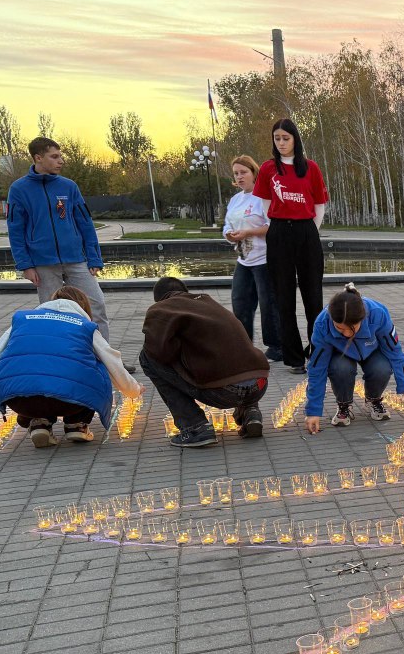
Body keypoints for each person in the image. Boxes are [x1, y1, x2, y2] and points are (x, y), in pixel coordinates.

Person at [0, 285, 142, 448]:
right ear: (83, 307)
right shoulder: (84, 326)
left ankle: (39, 423)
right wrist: (133, 390)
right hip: (70, 402)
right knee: (96, 364)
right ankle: (76, 424)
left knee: (31, 374)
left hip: (18, 399)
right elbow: (112, 362)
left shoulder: (23, 320)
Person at [140, 277, 270, 448]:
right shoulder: (208, 301)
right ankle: (250, 413)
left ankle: (195, 427)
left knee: (147, 358)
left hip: (223, 391)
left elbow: (159, 353)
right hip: (259, 383)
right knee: (236, 358)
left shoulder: (161, 309)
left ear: (159, 298)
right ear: (185, 292)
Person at [6, 136, 112, 341]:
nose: (61, 161)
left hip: (76, 259)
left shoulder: (69, 186)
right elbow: (15, 230)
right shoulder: (19, 190)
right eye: (54, 157)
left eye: (61, 156)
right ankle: (62, 359)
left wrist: (94, 257)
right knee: (51, 314)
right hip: (43, 263)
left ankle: (105, 361)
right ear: (38, 158)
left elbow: (85, 223)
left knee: (96, 304)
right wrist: (25, 265)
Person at [252, 118, 329, 375]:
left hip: (307, 232)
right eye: (277, 139)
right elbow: (264, 202)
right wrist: (280, 223)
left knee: (313, 298)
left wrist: (308, 230)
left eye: (286, 138)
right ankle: (295, 358)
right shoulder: (268, 169)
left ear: (295, 139)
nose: (282, 143)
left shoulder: (310, 168)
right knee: (283, 298)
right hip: (279, 233)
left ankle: (317, 353)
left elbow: (319, 203)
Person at [303, 284, 404, 434]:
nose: (345, 334)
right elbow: (317, 368)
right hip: (341, 355)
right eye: (339, 328)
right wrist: (313, 411)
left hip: (372, 350)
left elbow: (395, 352)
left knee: (382, 368)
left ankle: (373, 399)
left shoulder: (377, 314)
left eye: (351, 328)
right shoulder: (322, 324)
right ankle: (344, 404)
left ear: (362, 318)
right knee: (340, 368)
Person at [224, 154, 281, 362]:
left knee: (268, 305)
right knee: (240, 302)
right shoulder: (235, 200)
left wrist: (249, 232)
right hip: (244, 259)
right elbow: (227, 224)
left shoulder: (263, 197)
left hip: (264, 259)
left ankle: (276, 347)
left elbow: (272, 226)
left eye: (243, 172)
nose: (239, 177)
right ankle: (244, 345)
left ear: (254, 172)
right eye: (236, 173)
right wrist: (229, 234)